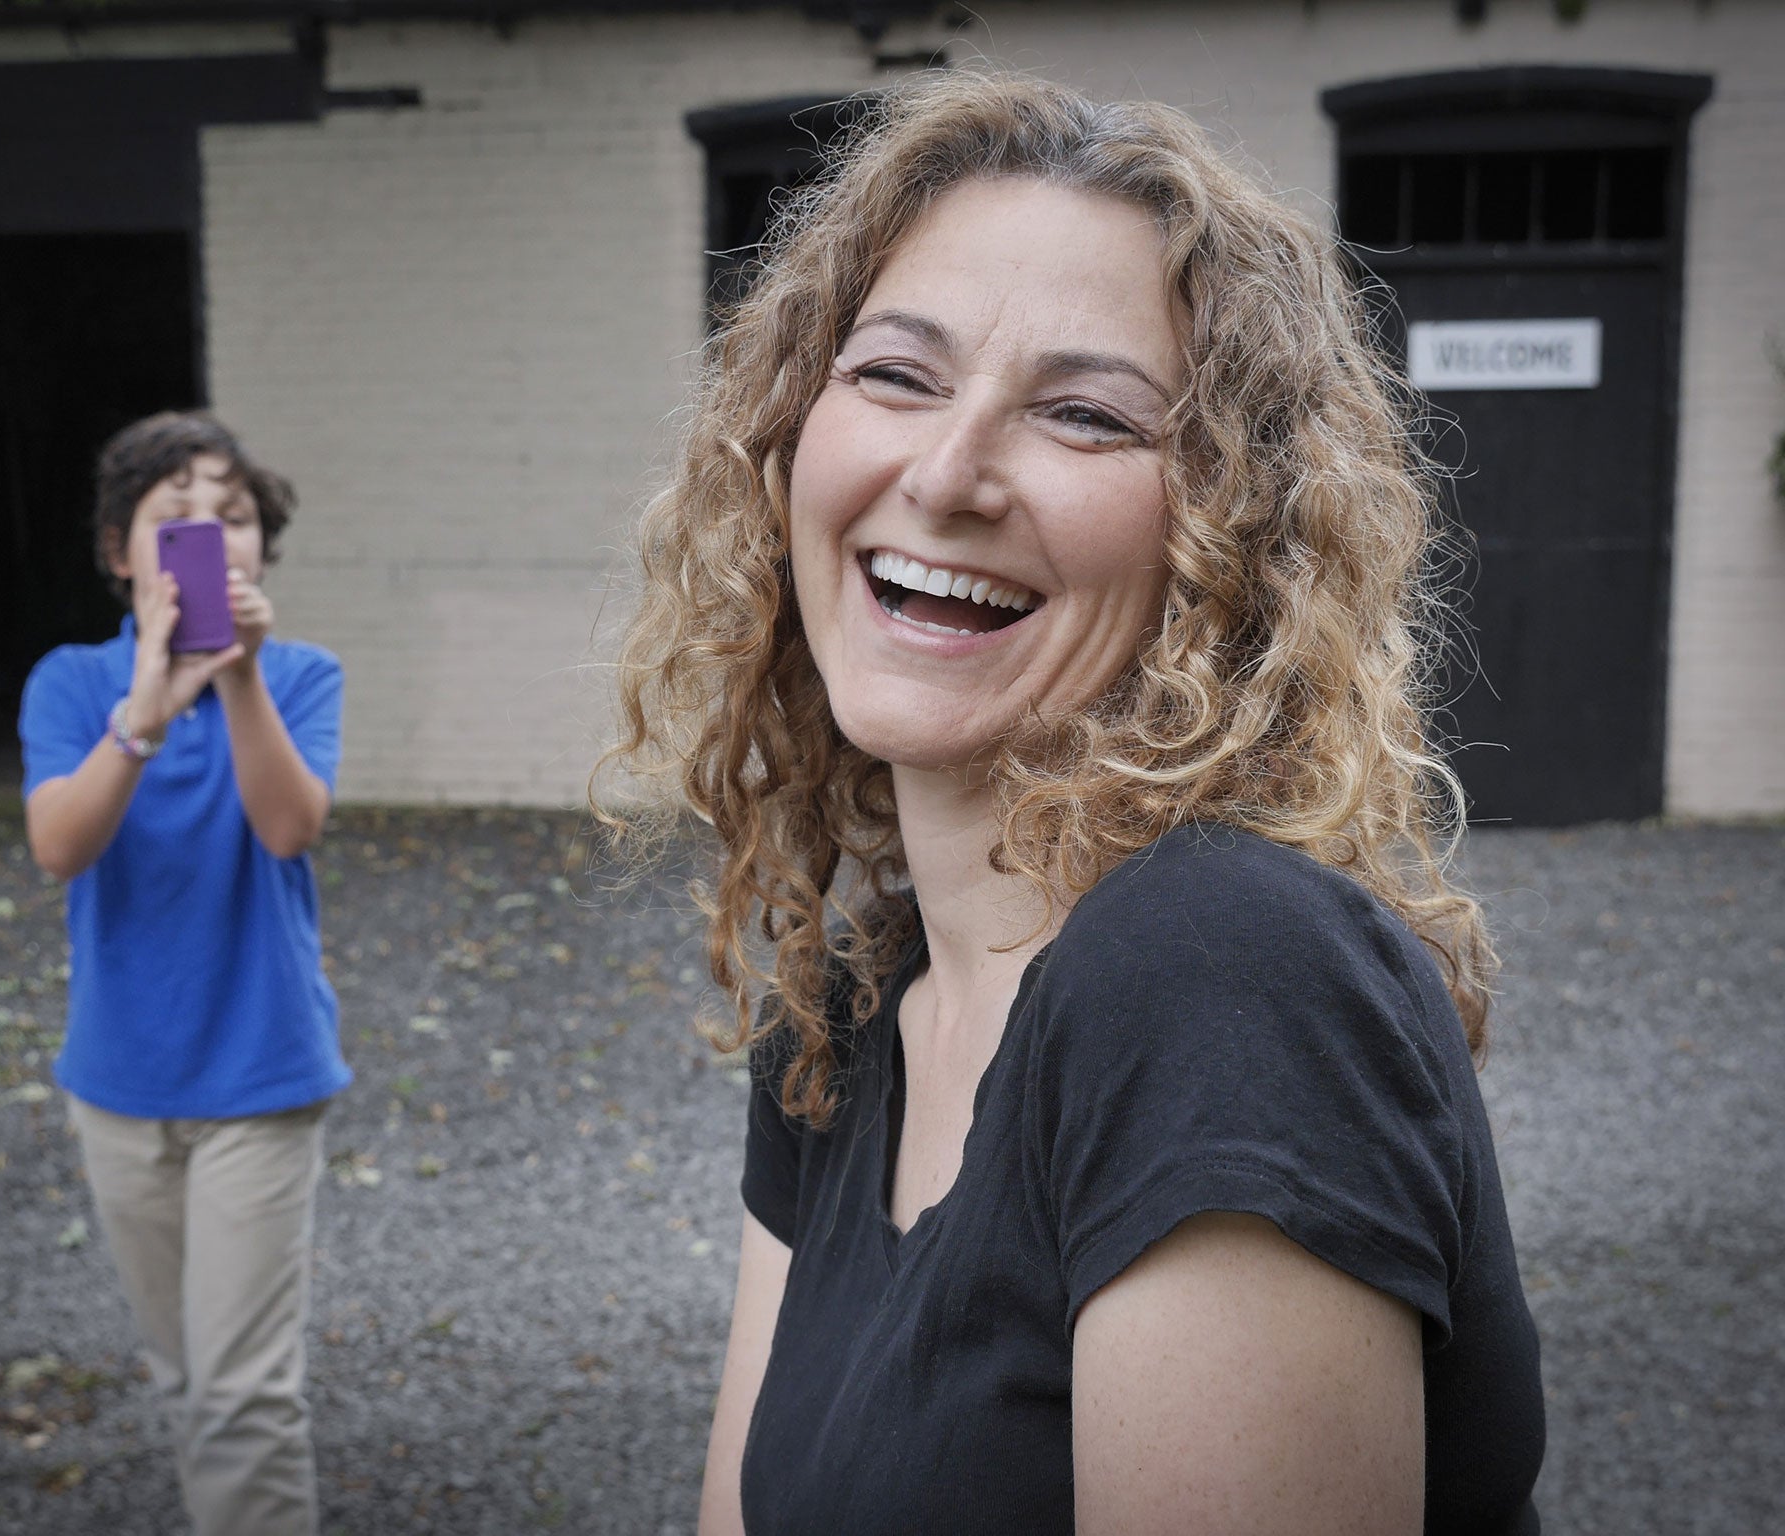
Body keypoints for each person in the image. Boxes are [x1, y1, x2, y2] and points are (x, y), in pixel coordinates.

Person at [600, 72, 1545, 1535]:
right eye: (897, 376)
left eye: (1086, 416)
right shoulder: (844, 1000)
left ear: (1232, 540)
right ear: (786, 436)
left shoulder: (1224, 969)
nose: (949, 470)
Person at [20, 411, 348, 1536]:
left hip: (262, 1079)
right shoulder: (70, 684)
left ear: (263, 545)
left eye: (234, 517)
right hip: (117, 1086)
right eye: (176, 522)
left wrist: (237, 677)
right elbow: (59, 847)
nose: (211, 539)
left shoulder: (302, 676)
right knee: (185, 1376)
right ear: (122, 555)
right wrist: (144, 714)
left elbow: (288, 827)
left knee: (243, 1397)